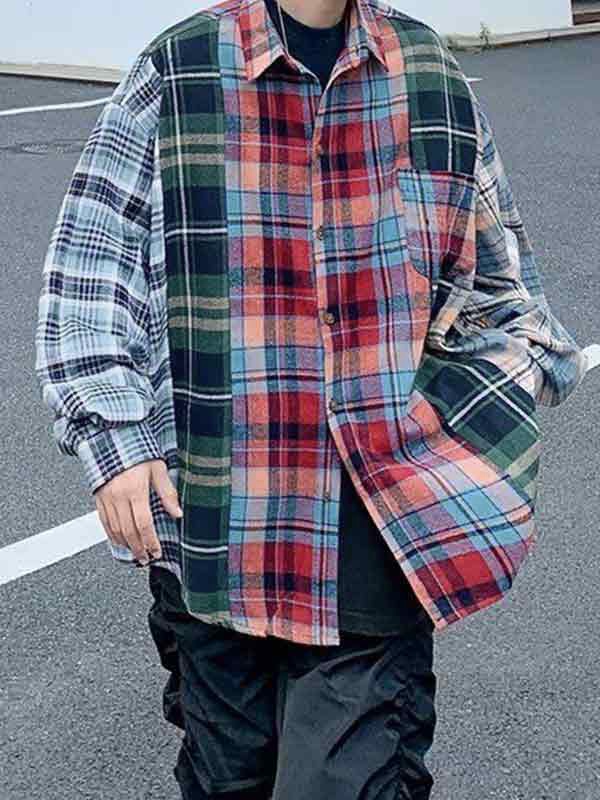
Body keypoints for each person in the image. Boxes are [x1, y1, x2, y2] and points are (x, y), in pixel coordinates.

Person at [34, 0, 588, 797]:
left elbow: (509, 300)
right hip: (214, 525)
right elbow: (91, 266)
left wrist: (459, 431)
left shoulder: (427, 73)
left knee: (345, 781)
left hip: (376, 520)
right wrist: (113, 435)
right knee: (229, 779)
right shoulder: (179, 70)